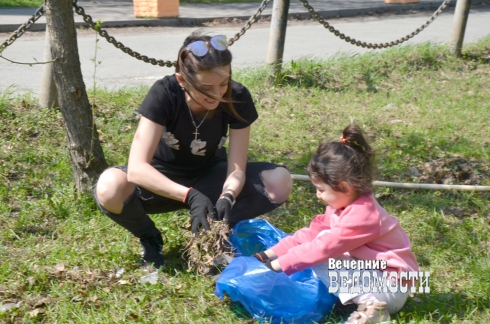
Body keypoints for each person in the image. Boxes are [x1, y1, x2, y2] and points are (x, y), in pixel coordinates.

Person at [93, 31, 293, 269]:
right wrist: (189, 196)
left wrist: (228, 195)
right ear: (182, 80)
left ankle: (216, 229)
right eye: (206, 87)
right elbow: (137, 169)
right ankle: (150, 237)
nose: (217, 94)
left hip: (209, 178)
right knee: (110, 187)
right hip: (160, 181)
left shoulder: (237, 96)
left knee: (279, 180)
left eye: (223, 83)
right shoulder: (164, 93)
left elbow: (236, 168)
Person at [254, 124, 419, 324]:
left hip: (391, 288)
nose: (317, 195)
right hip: (378, 279)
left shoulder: (363, 215)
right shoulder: (342, 205)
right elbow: (310, 234)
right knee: (318, 241)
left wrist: (277, 266)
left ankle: (372, 308)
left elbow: (322, 248)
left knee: (321, 249)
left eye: (320, 189)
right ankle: (361, 300)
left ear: (344, 187)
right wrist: (266, 256)